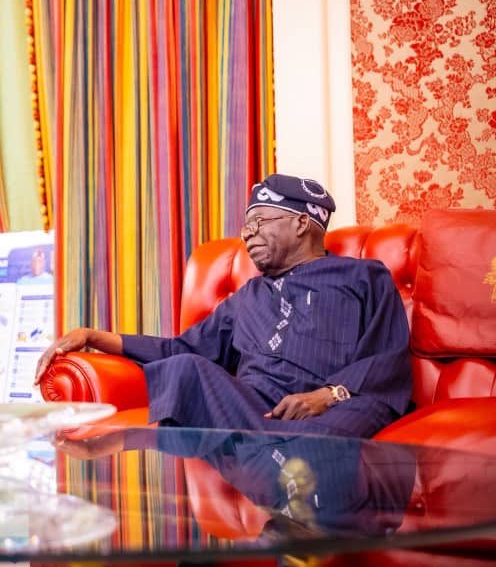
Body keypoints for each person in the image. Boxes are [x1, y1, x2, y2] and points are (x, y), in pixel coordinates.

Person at [34, 174, 412, 438]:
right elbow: (178, 350)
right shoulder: (246, 297)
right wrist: (93, 336)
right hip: (253, 411)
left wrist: (327, 396)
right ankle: (266, 457)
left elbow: (386, 358)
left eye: (259, 222)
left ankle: (270, 461)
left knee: (332, 434)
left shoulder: (363, 277)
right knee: (184, 368)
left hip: (330, 408)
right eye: (246, 228)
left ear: (301, 223)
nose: (248, 235)